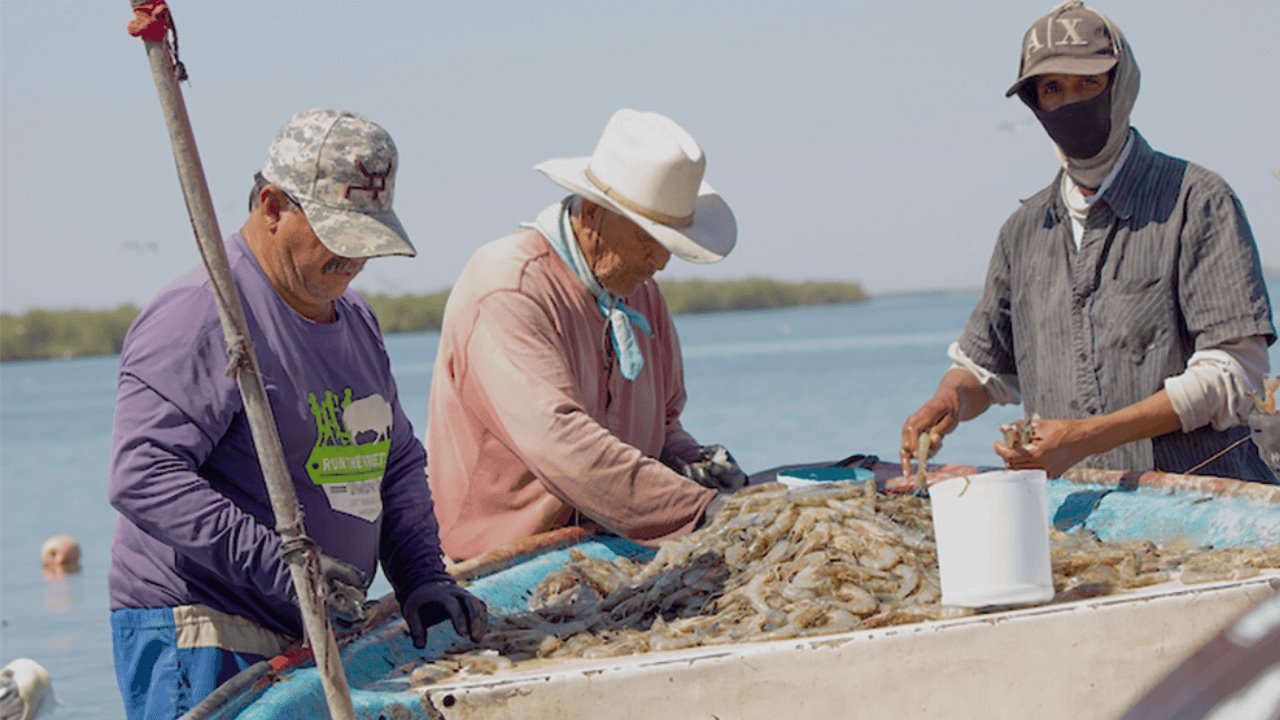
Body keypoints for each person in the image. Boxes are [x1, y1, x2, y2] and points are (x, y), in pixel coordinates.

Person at [108, 108, 487, 719]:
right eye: (339, 236)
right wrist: (290, 571)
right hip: (210, 633)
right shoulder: (203, 314)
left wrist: (421, 575)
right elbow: (143, 474)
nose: (355, 259)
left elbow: (393, 460)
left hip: (315, 628)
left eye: (367, 240)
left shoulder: (355, 317)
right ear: (272, 207)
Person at [900, 1, 1275, 482]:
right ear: (1035, 103)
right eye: (1052, 88)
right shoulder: (1024, 231)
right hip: (1070, 514)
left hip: (1204, 505)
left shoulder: (1197, 201)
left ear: (1121, 86)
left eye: (1088, 83)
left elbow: (1233, 375)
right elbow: (985, 369)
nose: (1070, 102)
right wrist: (948, 400)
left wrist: (1086, 438)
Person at [426, 108, 747, 561]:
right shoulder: (508, 286)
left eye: (670, 243)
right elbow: (562, 444)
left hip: (610, 546)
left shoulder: (641, 293)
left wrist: (697, 464)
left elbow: (665, 425)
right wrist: (703, 510)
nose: (661, 260)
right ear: (593, 214)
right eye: (649, 238)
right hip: (499, 564)